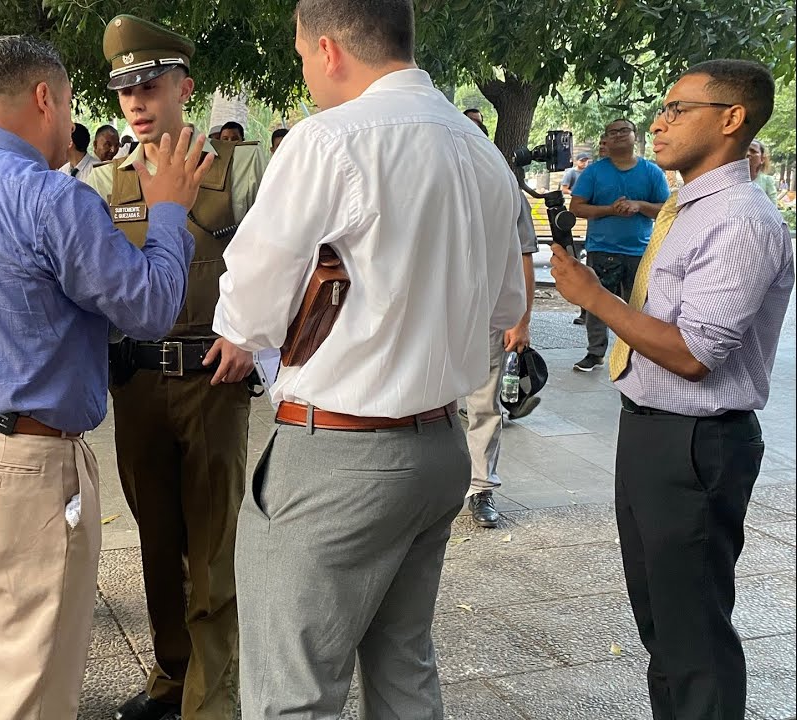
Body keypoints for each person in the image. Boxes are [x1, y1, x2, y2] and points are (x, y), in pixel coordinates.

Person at [213, 0, 525, 714]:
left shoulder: (330, 141)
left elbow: (249, 312)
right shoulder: (480, 150)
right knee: (404, 665)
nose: (306, 72)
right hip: (439, 445)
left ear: (327, 49)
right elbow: (506, 309)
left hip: (342, 453)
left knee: (291, 690)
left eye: (299, 57)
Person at [0, 35, 207, 719]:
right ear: (45, 97)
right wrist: (167, 210)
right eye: (69, 102)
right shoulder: (49, 198)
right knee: (28, 674)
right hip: (21, 462)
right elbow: (152, 307)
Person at [551, 59, 793, 720]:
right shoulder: (685, 206)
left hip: (696, 442)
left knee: (694, 640)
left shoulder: (741, 219)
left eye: (680, 109)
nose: (659, 122)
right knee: (663, 626)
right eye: (663, 107)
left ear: (731, 119)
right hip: (650, 428)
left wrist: (594, 298)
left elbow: (694, 355)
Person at [83, 15, 268, 720]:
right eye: (123, 87)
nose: (136, 99)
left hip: (213, 382)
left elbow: (289, 259)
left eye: (150, 83)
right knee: (158, 543)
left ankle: (211, 699)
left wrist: (256, 335)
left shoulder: (241, 168)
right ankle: (172, 672)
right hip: (136, 384)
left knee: (213, 548)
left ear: (183, 87)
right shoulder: (103, 181)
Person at [459, 113, 540, 529]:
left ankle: (482, 488)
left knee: (485, 404)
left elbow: (525, 255)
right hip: (440, 317)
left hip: (490, 314)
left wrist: (521, 320)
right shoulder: (436, 184)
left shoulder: (504, 188)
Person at [568, 118, 670, 372]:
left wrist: (639, 205)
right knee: (596, 303)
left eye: (624, 130)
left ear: (635, 136)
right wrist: (610, 210)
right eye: (612, 132)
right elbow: (576, 207)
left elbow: (666, 210)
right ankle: (595, 352)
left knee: (639, 307)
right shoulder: (594, 172)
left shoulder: (652, 172)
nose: (618, 135)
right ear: (606, 139)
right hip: (601, 249)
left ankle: (637, 354)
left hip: (640, 251)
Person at [749, 139, 780, 204]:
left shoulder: (767, 181)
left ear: (762, 159)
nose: (748, 154)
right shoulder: (732, 180)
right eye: (745, 150)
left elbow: (773, 207)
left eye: (753, 151)